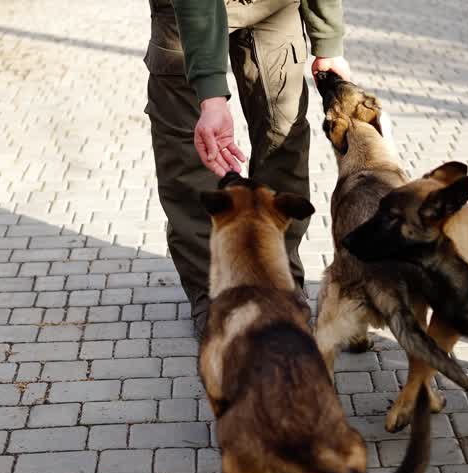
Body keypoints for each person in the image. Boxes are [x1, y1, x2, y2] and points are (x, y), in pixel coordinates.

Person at [144, 0, 351, 339]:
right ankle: (214, 293)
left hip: (273, 8)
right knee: (191, 151)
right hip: (185, 13)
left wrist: (327, 41)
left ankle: (280, 281)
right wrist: (210, 95)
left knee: (283, 136)